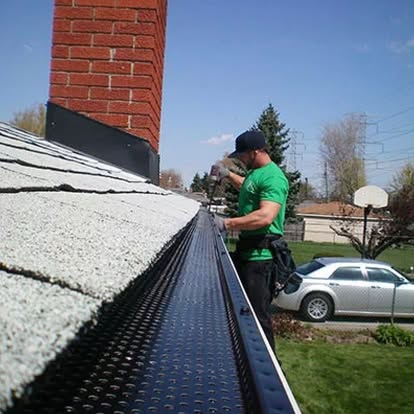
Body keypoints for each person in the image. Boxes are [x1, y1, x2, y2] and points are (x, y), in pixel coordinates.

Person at [212, 130, 289, 351]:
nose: (240, 159)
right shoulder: (256, 174)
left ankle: (268, 369)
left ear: (255, 152)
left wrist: (227, 224)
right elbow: (248, 186)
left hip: (260, 260)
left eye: (242, 155)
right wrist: (227, 174)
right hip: (248, 254)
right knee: (239, 310)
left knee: (257, 317)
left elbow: (266, 216)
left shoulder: (274, 177)